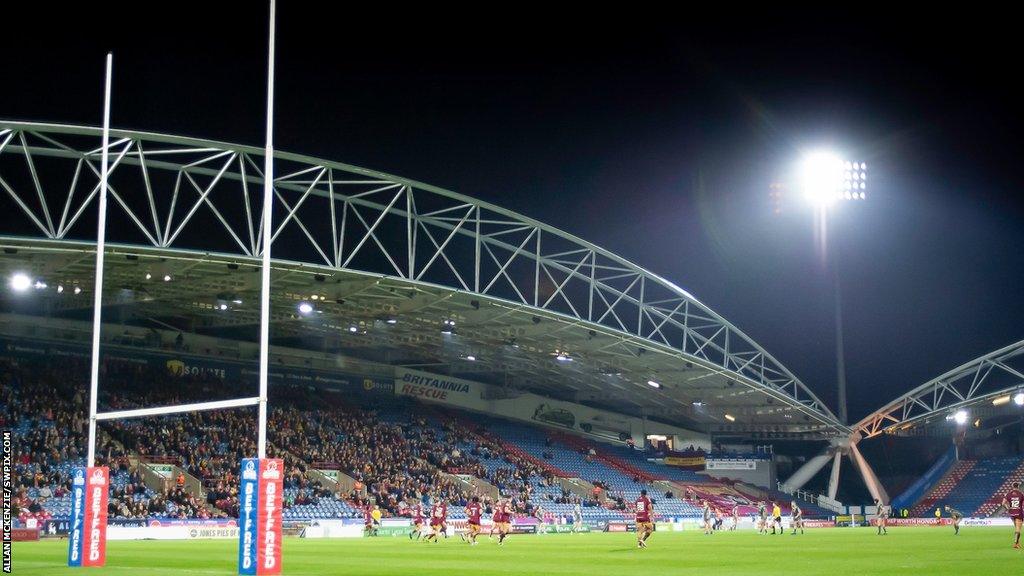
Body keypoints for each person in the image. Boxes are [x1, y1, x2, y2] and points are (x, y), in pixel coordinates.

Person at [1001, 480, 1023, 549]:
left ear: (1012, 486)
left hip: (1012, 513)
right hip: (1019, 512)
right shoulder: (1021, 494)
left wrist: (1008, 508)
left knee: (1016, 528)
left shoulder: (1008, 494)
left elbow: (1003, 503)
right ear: (1018, 486)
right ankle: (1015, 544)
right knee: (1018, 529)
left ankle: (1017, 543)